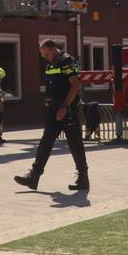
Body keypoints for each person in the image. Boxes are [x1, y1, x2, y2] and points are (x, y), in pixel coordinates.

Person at [14, 39, 89, 191]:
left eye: (46, 54)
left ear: (54, 49)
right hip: (54, 110)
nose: (45, 57)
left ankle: (83, 178)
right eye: (43, 55)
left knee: (75, 143)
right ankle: (34, 176)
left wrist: (65, 106)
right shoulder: (50, 64)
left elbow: (76, 85)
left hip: (67, 109)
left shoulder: (66, 61)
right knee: (45, 142)